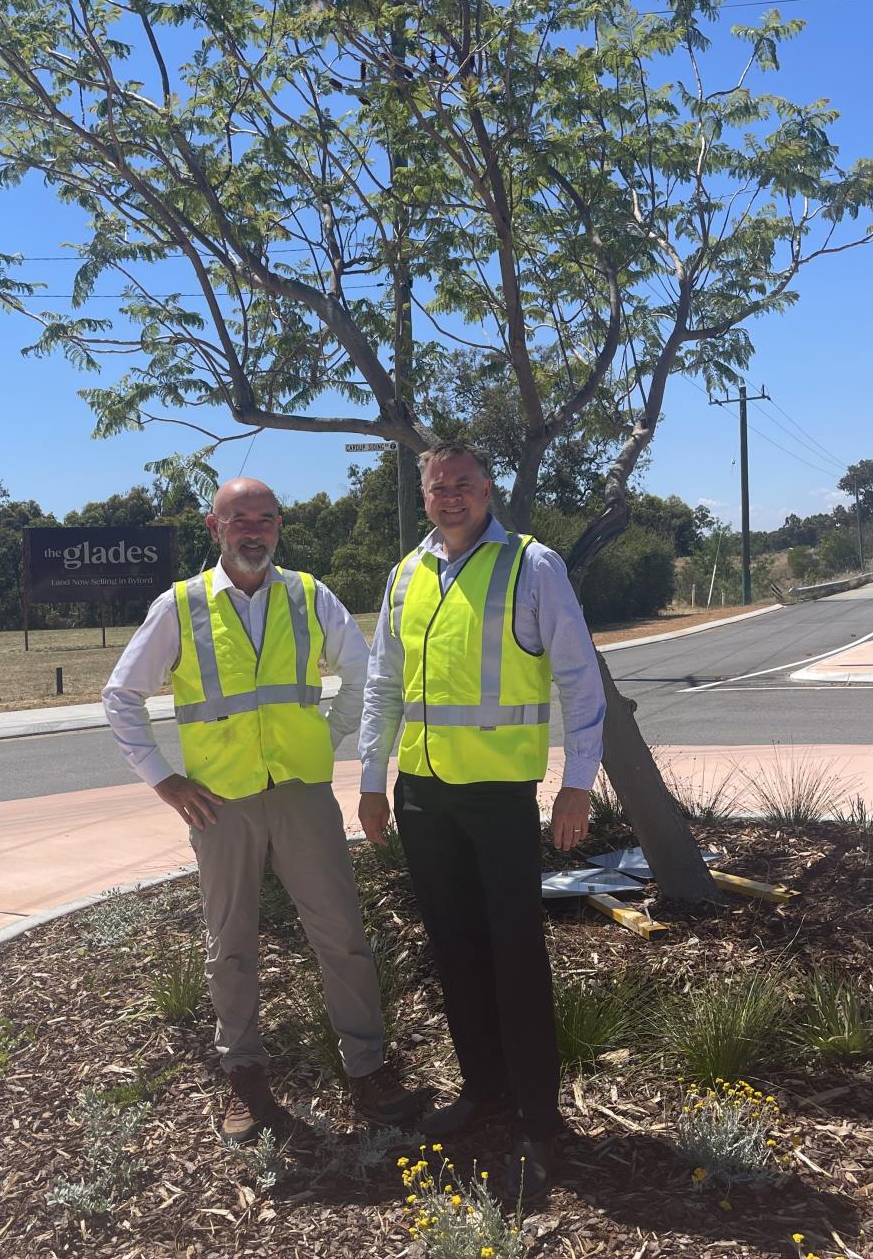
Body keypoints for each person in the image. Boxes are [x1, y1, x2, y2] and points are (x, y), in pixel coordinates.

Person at [103, 477, 420, 1145]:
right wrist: (163, 781)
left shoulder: (308, 596)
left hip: (300, 794)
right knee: (230, 945)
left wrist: (325, 736)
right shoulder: (180, 606)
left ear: (279, 527)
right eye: (238, 518)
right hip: (219, 804)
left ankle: (366, 1070)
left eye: (265, 519)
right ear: (213, 527)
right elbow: (120, 696)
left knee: (340, 933)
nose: (253, 530)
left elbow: (363, 677)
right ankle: (245, 1079)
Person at [357, 441, 605, 1201]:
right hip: (424, 795)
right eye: (438, 486)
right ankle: (481, 1091)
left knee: (515, 956)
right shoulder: (407, 573)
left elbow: (577, 676)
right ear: (424, 493)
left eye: (462, 484)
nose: (450, 497)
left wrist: (577, 785)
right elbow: (382, 684)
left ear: (488, 490)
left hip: (499, 794)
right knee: (453, 949)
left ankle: (538, 1118)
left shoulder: (532, 565)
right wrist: (372, 781)